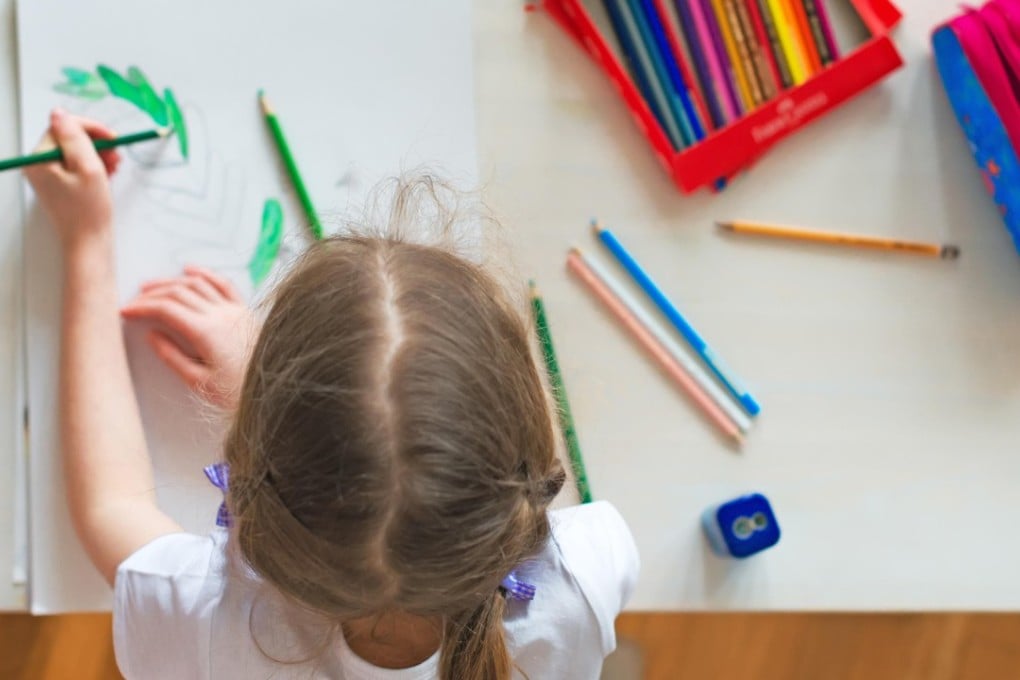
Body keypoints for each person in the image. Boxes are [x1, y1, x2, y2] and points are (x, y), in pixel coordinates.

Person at [25, 109, 639, 679]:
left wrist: (85, 238)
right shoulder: (582, 581)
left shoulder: (197, 615)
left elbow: (109, 506)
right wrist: (284, 404)